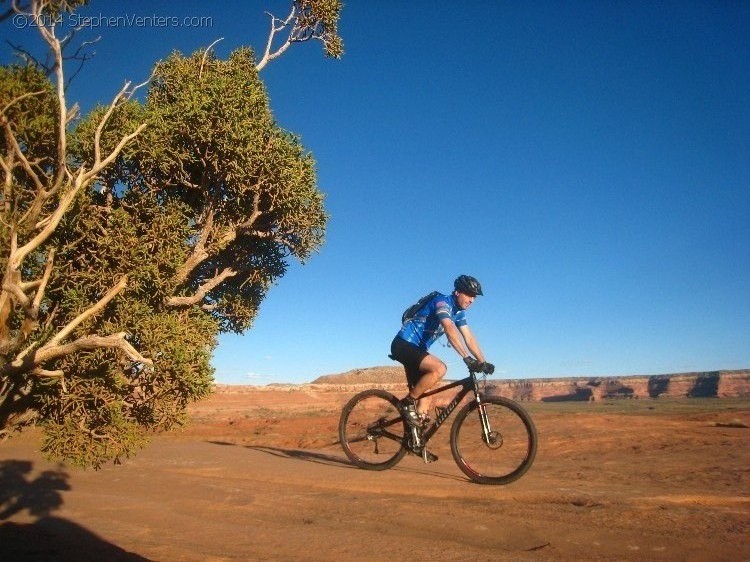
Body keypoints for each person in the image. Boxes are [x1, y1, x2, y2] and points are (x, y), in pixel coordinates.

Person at [390, 275, 495, 430]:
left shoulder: (458, 313)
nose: (472, 300)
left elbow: (469, 337)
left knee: (427, 394)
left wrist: (482, 361)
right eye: (469, 295)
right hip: (403, 345)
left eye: (474, 297)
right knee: (440, 368)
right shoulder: (441, 302)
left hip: (417, 350)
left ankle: (414, 439)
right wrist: (466, 357)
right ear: (458, 292)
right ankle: (406, 404)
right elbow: (449, 328)